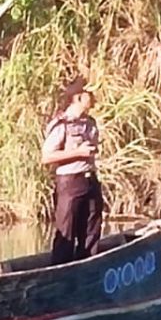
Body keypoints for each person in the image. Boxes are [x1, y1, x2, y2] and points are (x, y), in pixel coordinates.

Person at [41, 76, 102, 265]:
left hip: (90, 180)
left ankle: (88, 268)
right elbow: (47, 157)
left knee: (92, 228)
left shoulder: (90, 122)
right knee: (66, 231)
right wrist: (78, 153)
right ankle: (60, 273)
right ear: (78, 98)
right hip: (70, 182)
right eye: (89, 94)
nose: (93, 97)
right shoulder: (62, 125)